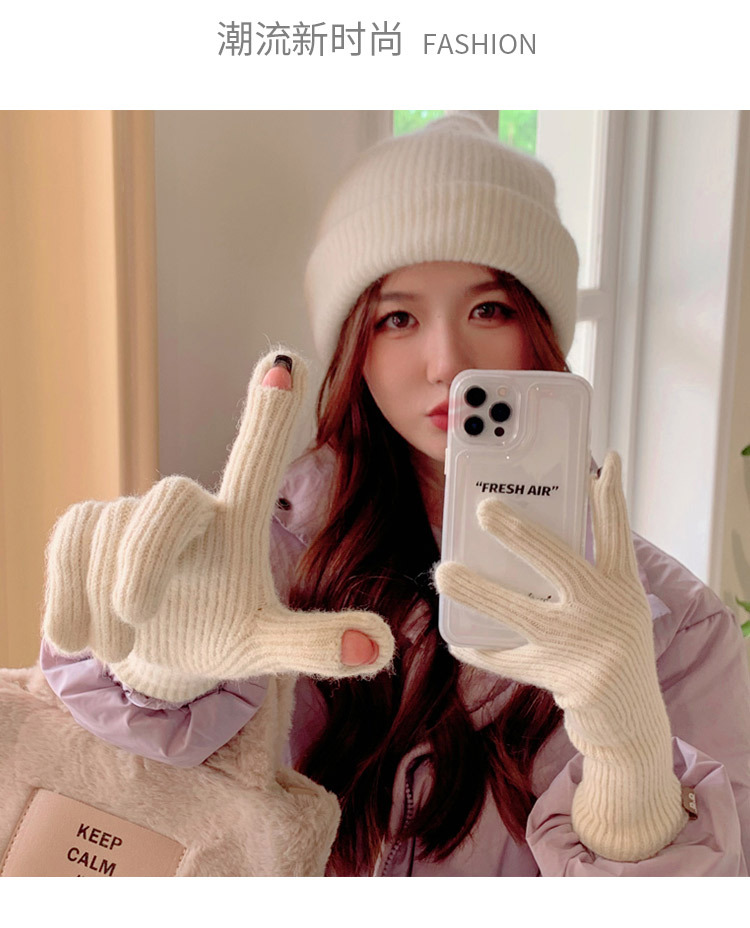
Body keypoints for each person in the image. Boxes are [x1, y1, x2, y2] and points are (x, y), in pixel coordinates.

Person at [37, 115, 750, 876]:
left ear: (540, 333)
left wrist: (629, 753)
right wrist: (157, 671)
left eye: (489, 309)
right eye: (398, 318)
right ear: (357, 349)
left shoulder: (675, 627)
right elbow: (133, 790)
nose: (448, 363)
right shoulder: (261, 558)